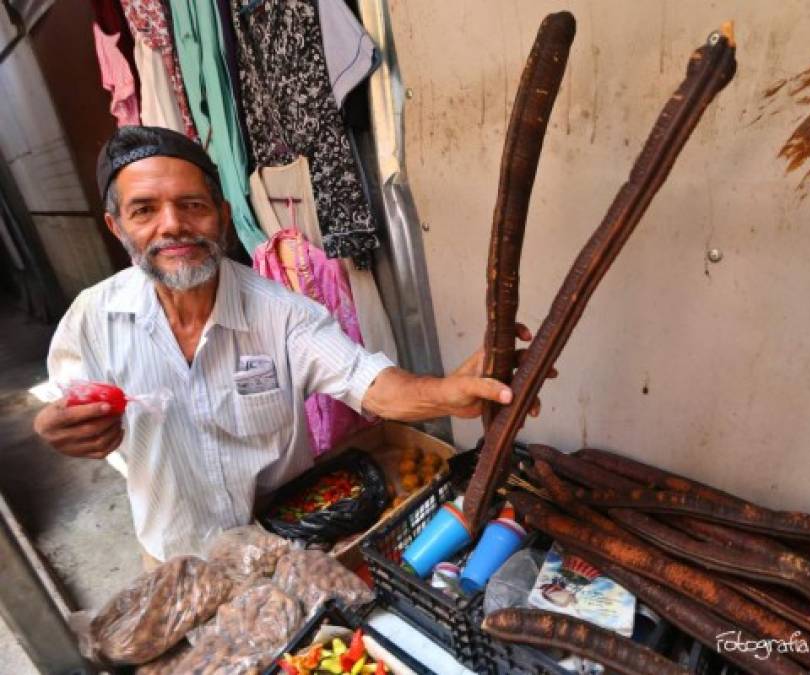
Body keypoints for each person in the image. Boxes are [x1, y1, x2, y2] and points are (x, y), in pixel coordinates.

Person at [32, 126, 538, 563]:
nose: (173, 225)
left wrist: (448, 392)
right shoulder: (93, 319)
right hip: (174, 559)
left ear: (222, 214)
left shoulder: (282, 311)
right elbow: (65, 408)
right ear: (116, 226)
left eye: (192, 205)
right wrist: (52, 427)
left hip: (289, 547)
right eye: (144, 210)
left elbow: (371, 383)